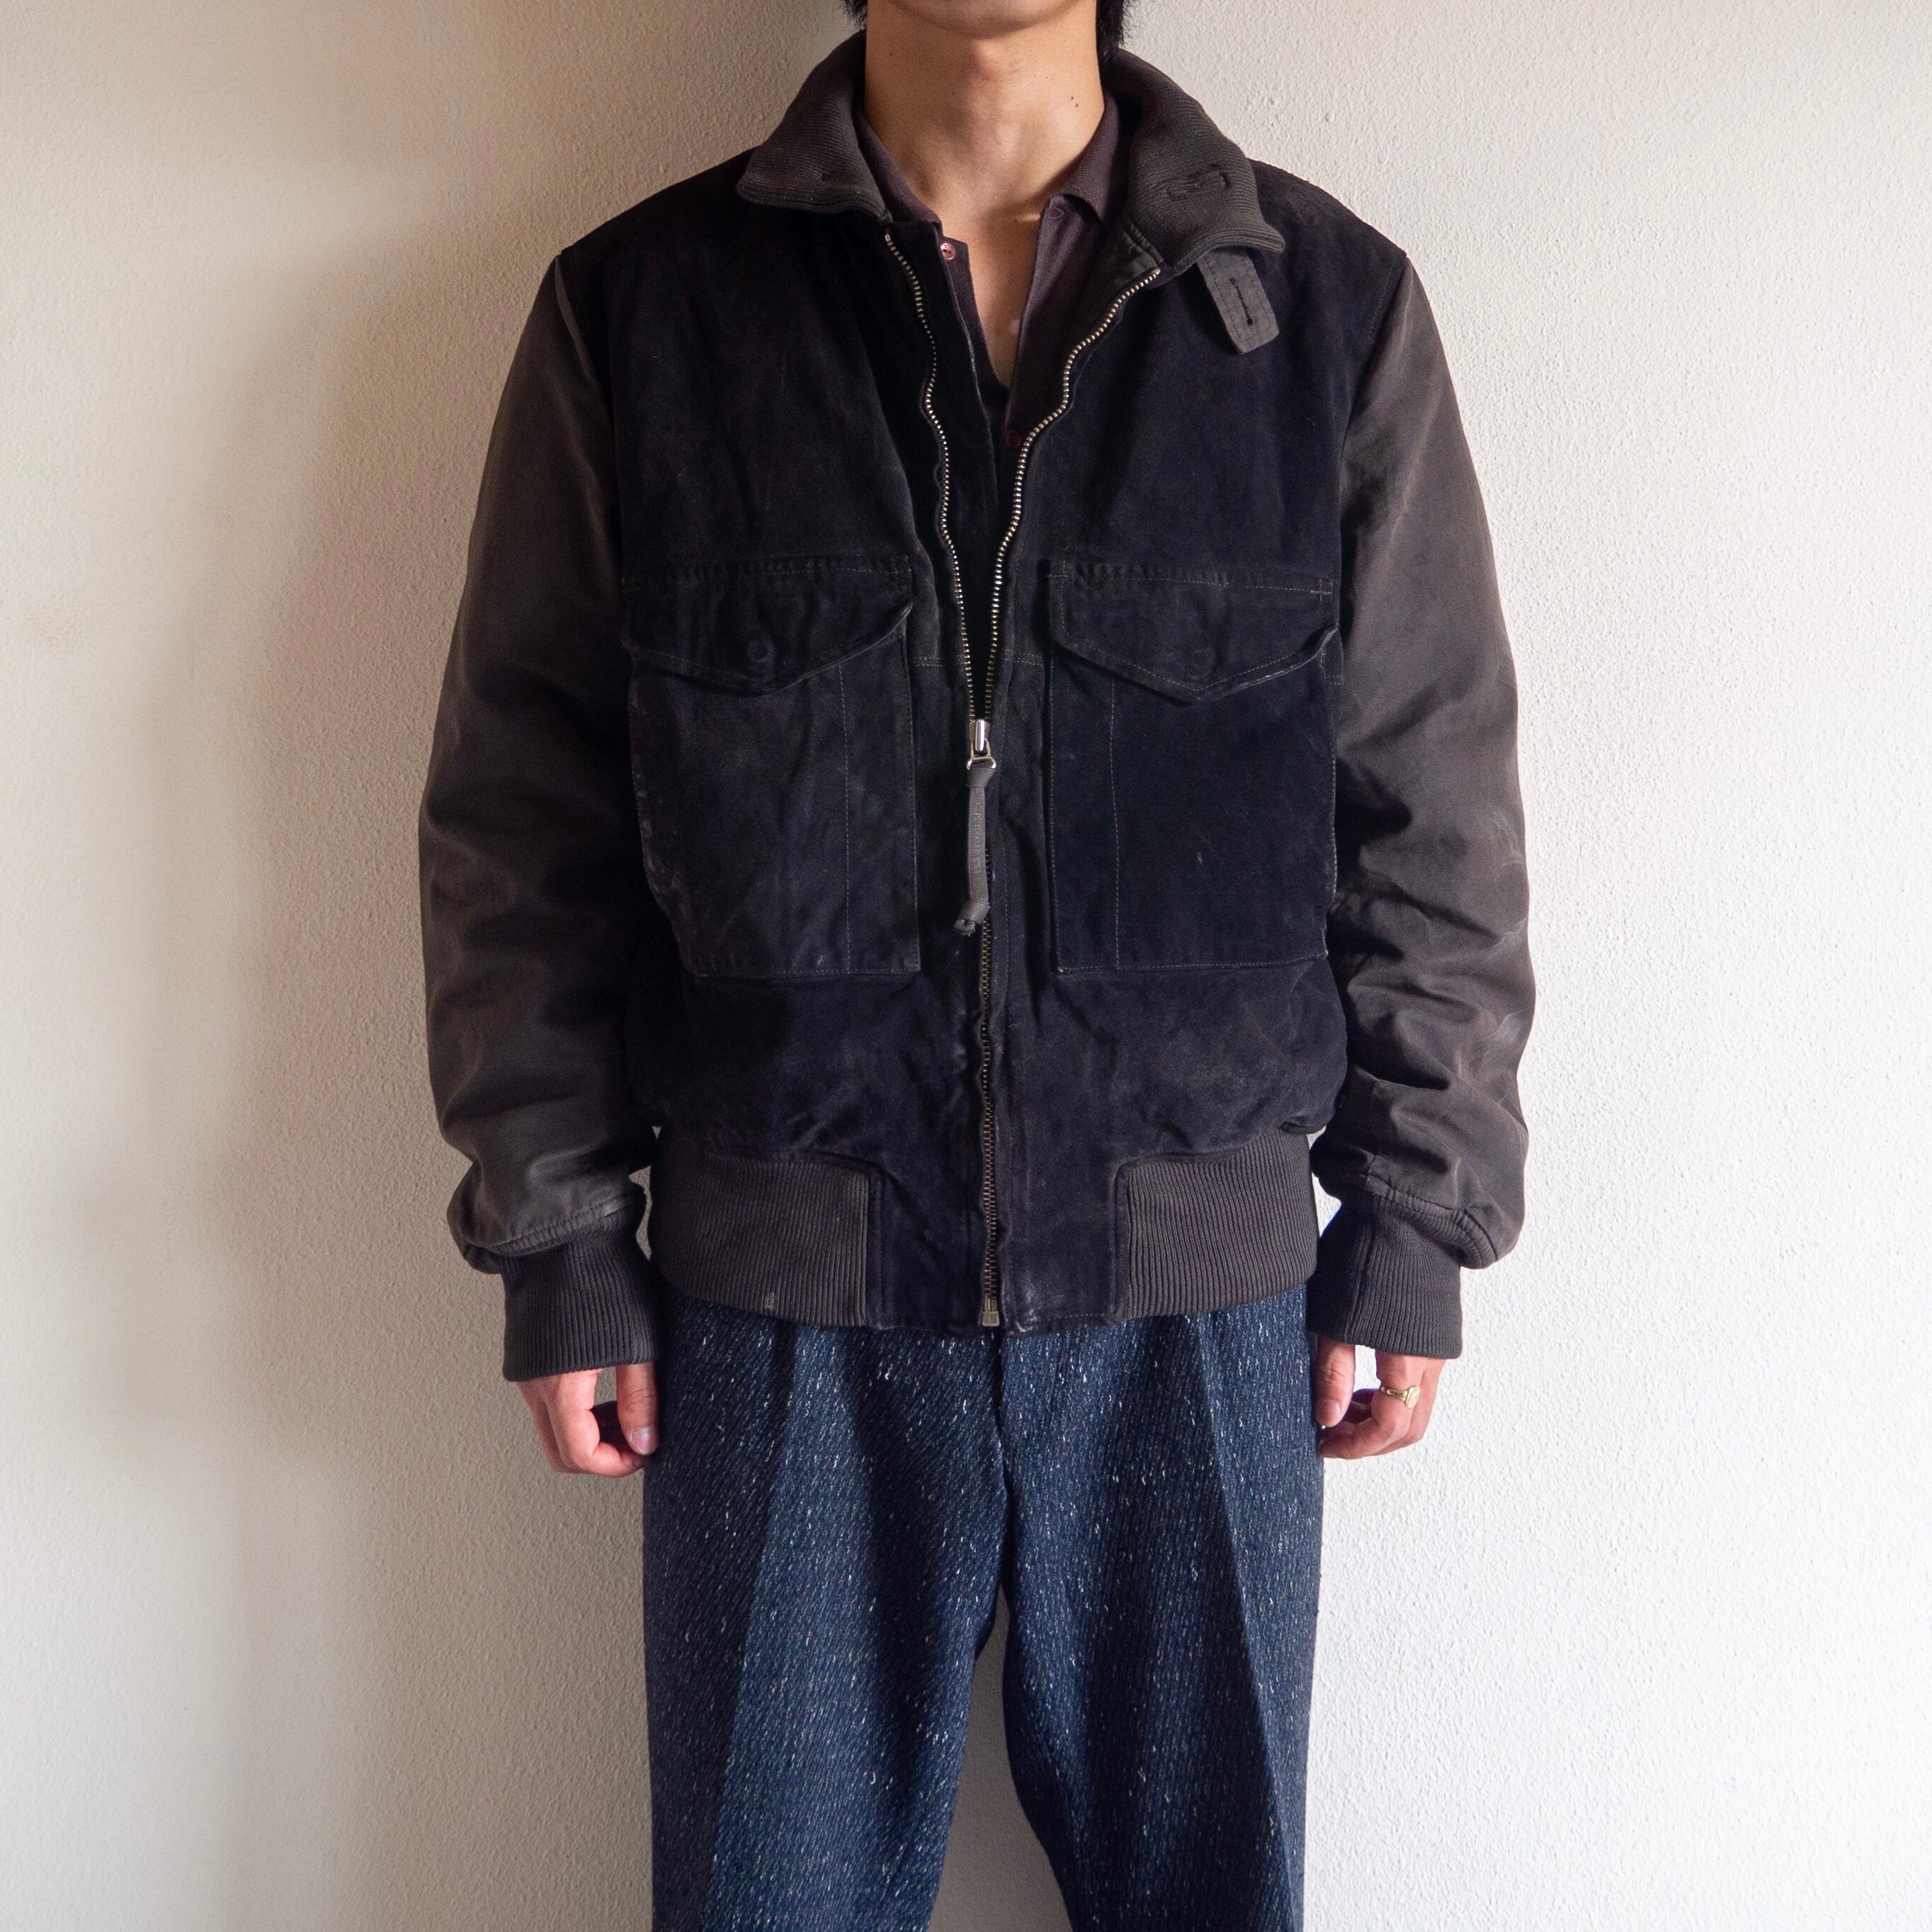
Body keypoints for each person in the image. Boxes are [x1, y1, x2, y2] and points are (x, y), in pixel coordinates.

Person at [418, 1, 1533, 1924]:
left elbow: (1430, 798)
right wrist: (561, 1231)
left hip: (1204, 1315)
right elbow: (525, 818)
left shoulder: (1323, 310)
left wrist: (1420, 1210)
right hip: (780, 1309)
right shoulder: (647, 310)